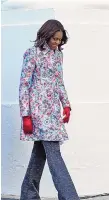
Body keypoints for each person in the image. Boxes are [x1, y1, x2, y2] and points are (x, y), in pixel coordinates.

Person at [19, 19, 79, 200]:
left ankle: (28, 194)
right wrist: (25, 115)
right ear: (46, 35)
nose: (57, 43)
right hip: (37, 113)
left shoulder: (58, 56)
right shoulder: (32, 54)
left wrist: (66, 104)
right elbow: (24, 85)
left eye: (60, 40)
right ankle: (70, 197)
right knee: (54, 155)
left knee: (40, 153)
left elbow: (59, 82)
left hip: (53, 112)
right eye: (55, 39)